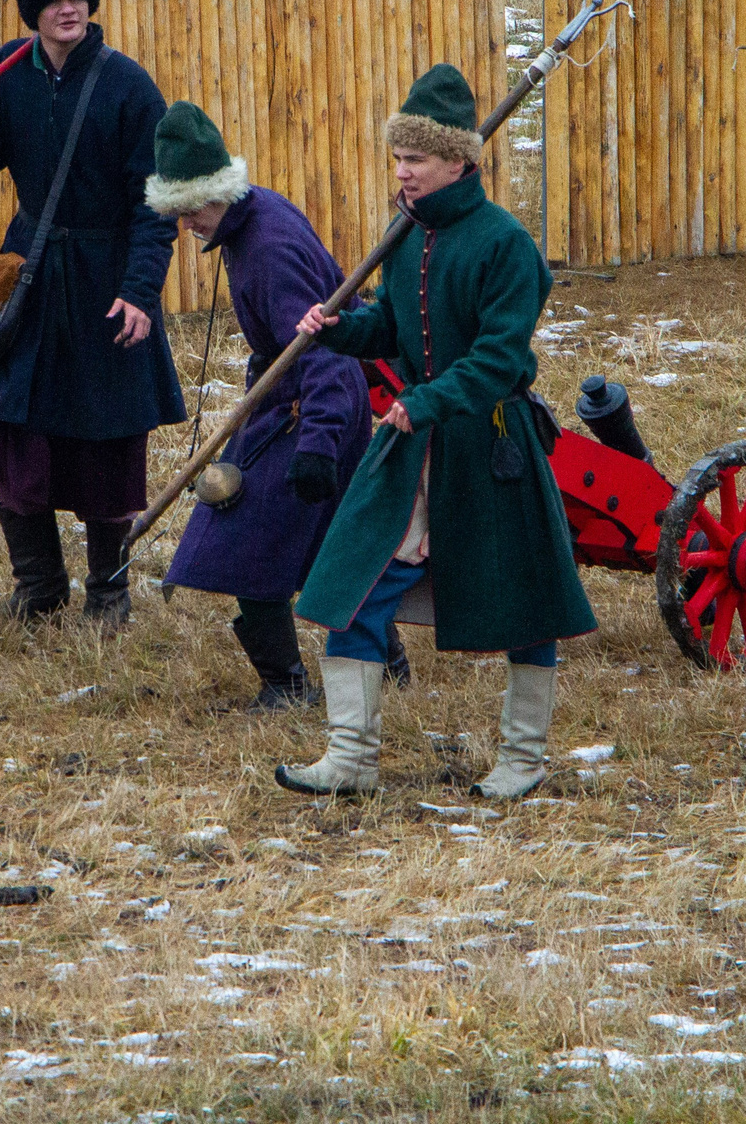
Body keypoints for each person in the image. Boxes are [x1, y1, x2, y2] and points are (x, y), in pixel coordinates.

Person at [279, 64, 597, 800]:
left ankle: (523, 758)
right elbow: (392, 327)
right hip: (415, 444)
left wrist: (425, 403)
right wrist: (336, 330)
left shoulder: (506, 245)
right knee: (349, 583)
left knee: (525, 602)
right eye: (397, 158)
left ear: (459, 159)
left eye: (415, 159)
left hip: (491, 443)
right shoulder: (409, 238)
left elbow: (498, 358)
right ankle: (350, 758)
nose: (403, 172)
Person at [0, 0, 184, 626]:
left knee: (107, 442)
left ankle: (109, 593)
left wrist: (140, 291)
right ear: (35, 13)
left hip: (107, 279)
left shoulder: (129, 86)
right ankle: (39, 585)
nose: (68, 10)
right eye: (53, 2)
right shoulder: (8, 71)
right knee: (18, 433)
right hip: (34, 276)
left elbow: (157, 202)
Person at [144, 101, 377, 710]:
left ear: (219, 192)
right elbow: (287, 342)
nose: (188, 223)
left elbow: (323, 349)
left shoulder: (268, 249)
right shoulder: (255, 215)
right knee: (329, 543)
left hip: (318, 407)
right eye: (178, 212)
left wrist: (320, 446)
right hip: (292, 399)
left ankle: (287, 686)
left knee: (247, 540)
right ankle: (382, 665)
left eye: (192, 208)